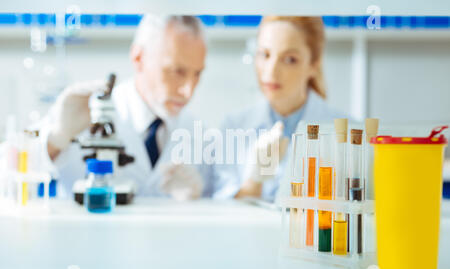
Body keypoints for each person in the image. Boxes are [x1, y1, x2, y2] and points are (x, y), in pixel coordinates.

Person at [37, 14, 212, 200]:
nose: (188, 91)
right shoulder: (86, 111)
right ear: (138, 58)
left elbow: (221, 207)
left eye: (197, 74)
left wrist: (196, 201)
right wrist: (56, 140)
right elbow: (10, 172)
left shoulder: (199, 135)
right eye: (177, 71)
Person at [213, 16, 347, 202]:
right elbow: (223, 213)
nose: (271, 71)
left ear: (313, 65)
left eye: (290, 59)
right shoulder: (233, 126)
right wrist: (255, 180)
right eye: (265, 55)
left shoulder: (346, 133)